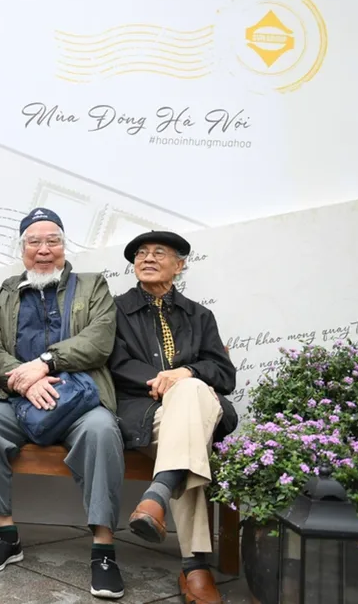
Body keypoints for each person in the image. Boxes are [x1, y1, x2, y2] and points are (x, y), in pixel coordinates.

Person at [0, 208, 126, 600]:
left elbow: (99, 340)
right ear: (22, 250)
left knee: (103, 432)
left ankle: (103, 551)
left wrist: (45, 364)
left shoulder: (92, 285)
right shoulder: (7, 291)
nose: (44, 250)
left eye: (53, 241)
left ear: (65, 246)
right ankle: (6, 536)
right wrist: (26, 383)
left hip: (81, 399)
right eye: (34, 242)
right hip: (23, 398)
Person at [107, 231, 237, 604]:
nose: (148, 258)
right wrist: (164, 380)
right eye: (141, 253)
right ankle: (195, 566)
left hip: (198, 409)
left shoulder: (200, 315)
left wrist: (186, 373)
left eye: (159, 253)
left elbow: (224, 374)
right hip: (145, 413)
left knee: (191, 391)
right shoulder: (114, 310)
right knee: (189, 441)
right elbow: (112, 363)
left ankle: (157, 496)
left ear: (179, 266)